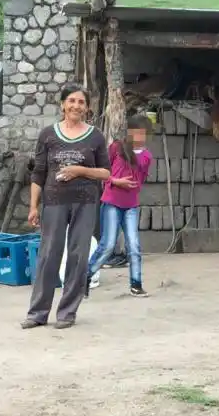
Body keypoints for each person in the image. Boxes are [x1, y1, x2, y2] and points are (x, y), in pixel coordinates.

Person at [21, 85, 110, 330]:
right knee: (48, 255)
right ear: (62, 104)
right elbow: (39, 173)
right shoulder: (48, 135)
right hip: (54, 202)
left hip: (85, 202)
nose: (76, 106)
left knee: (78, 256)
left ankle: (67, 313)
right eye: (71, 101)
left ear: (87, 108)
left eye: (81, 102)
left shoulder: (95, 136)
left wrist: (81, 171)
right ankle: (37, 313)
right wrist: (33, 206)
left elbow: (106, 172)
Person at [88, 114, 153, 297]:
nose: (139, 136)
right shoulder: (116, 148)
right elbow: (103, 171)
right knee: (107, 244)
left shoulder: (147, 156)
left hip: (131, 204)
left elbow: (142, 178)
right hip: (112, 202)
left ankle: (136, 284)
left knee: (134, 245)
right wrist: (116, 181)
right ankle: (86, 276)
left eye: (143, 133)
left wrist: (133, 186)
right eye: (136, 132)